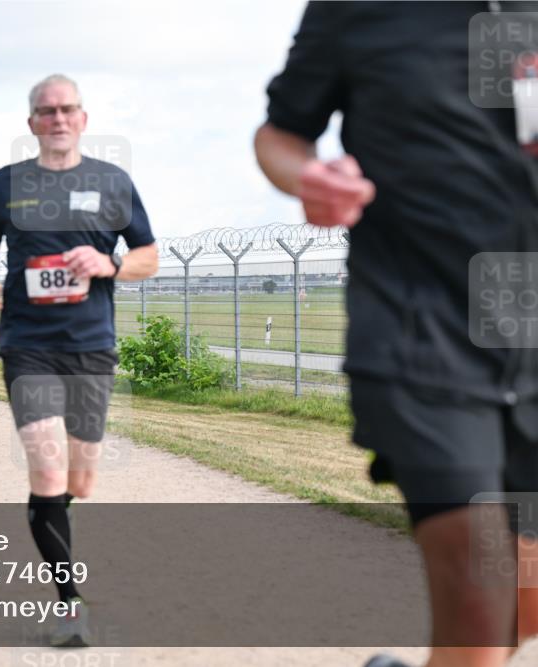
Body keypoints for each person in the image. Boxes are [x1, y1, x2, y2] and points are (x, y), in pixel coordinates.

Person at [254, 4, 538, 666]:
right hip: (421, 331)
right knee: (479, 599)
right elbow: (280, 135)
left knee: (525, 605)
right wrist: (308, 177)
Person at [0, 74, 158, 647]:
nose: (56, 119)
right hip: (26, 342)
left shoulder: (112, 182)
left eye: (66, 109)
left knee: (80, 479)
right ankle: (70, 603)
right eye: (46, 111)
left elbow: (148, 255)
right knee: (48, 469)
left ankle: (54, 510)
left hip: (91, 345)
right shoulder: (3, 184)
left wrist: (109, 265)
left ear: (82, 118)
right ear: (32, 123)